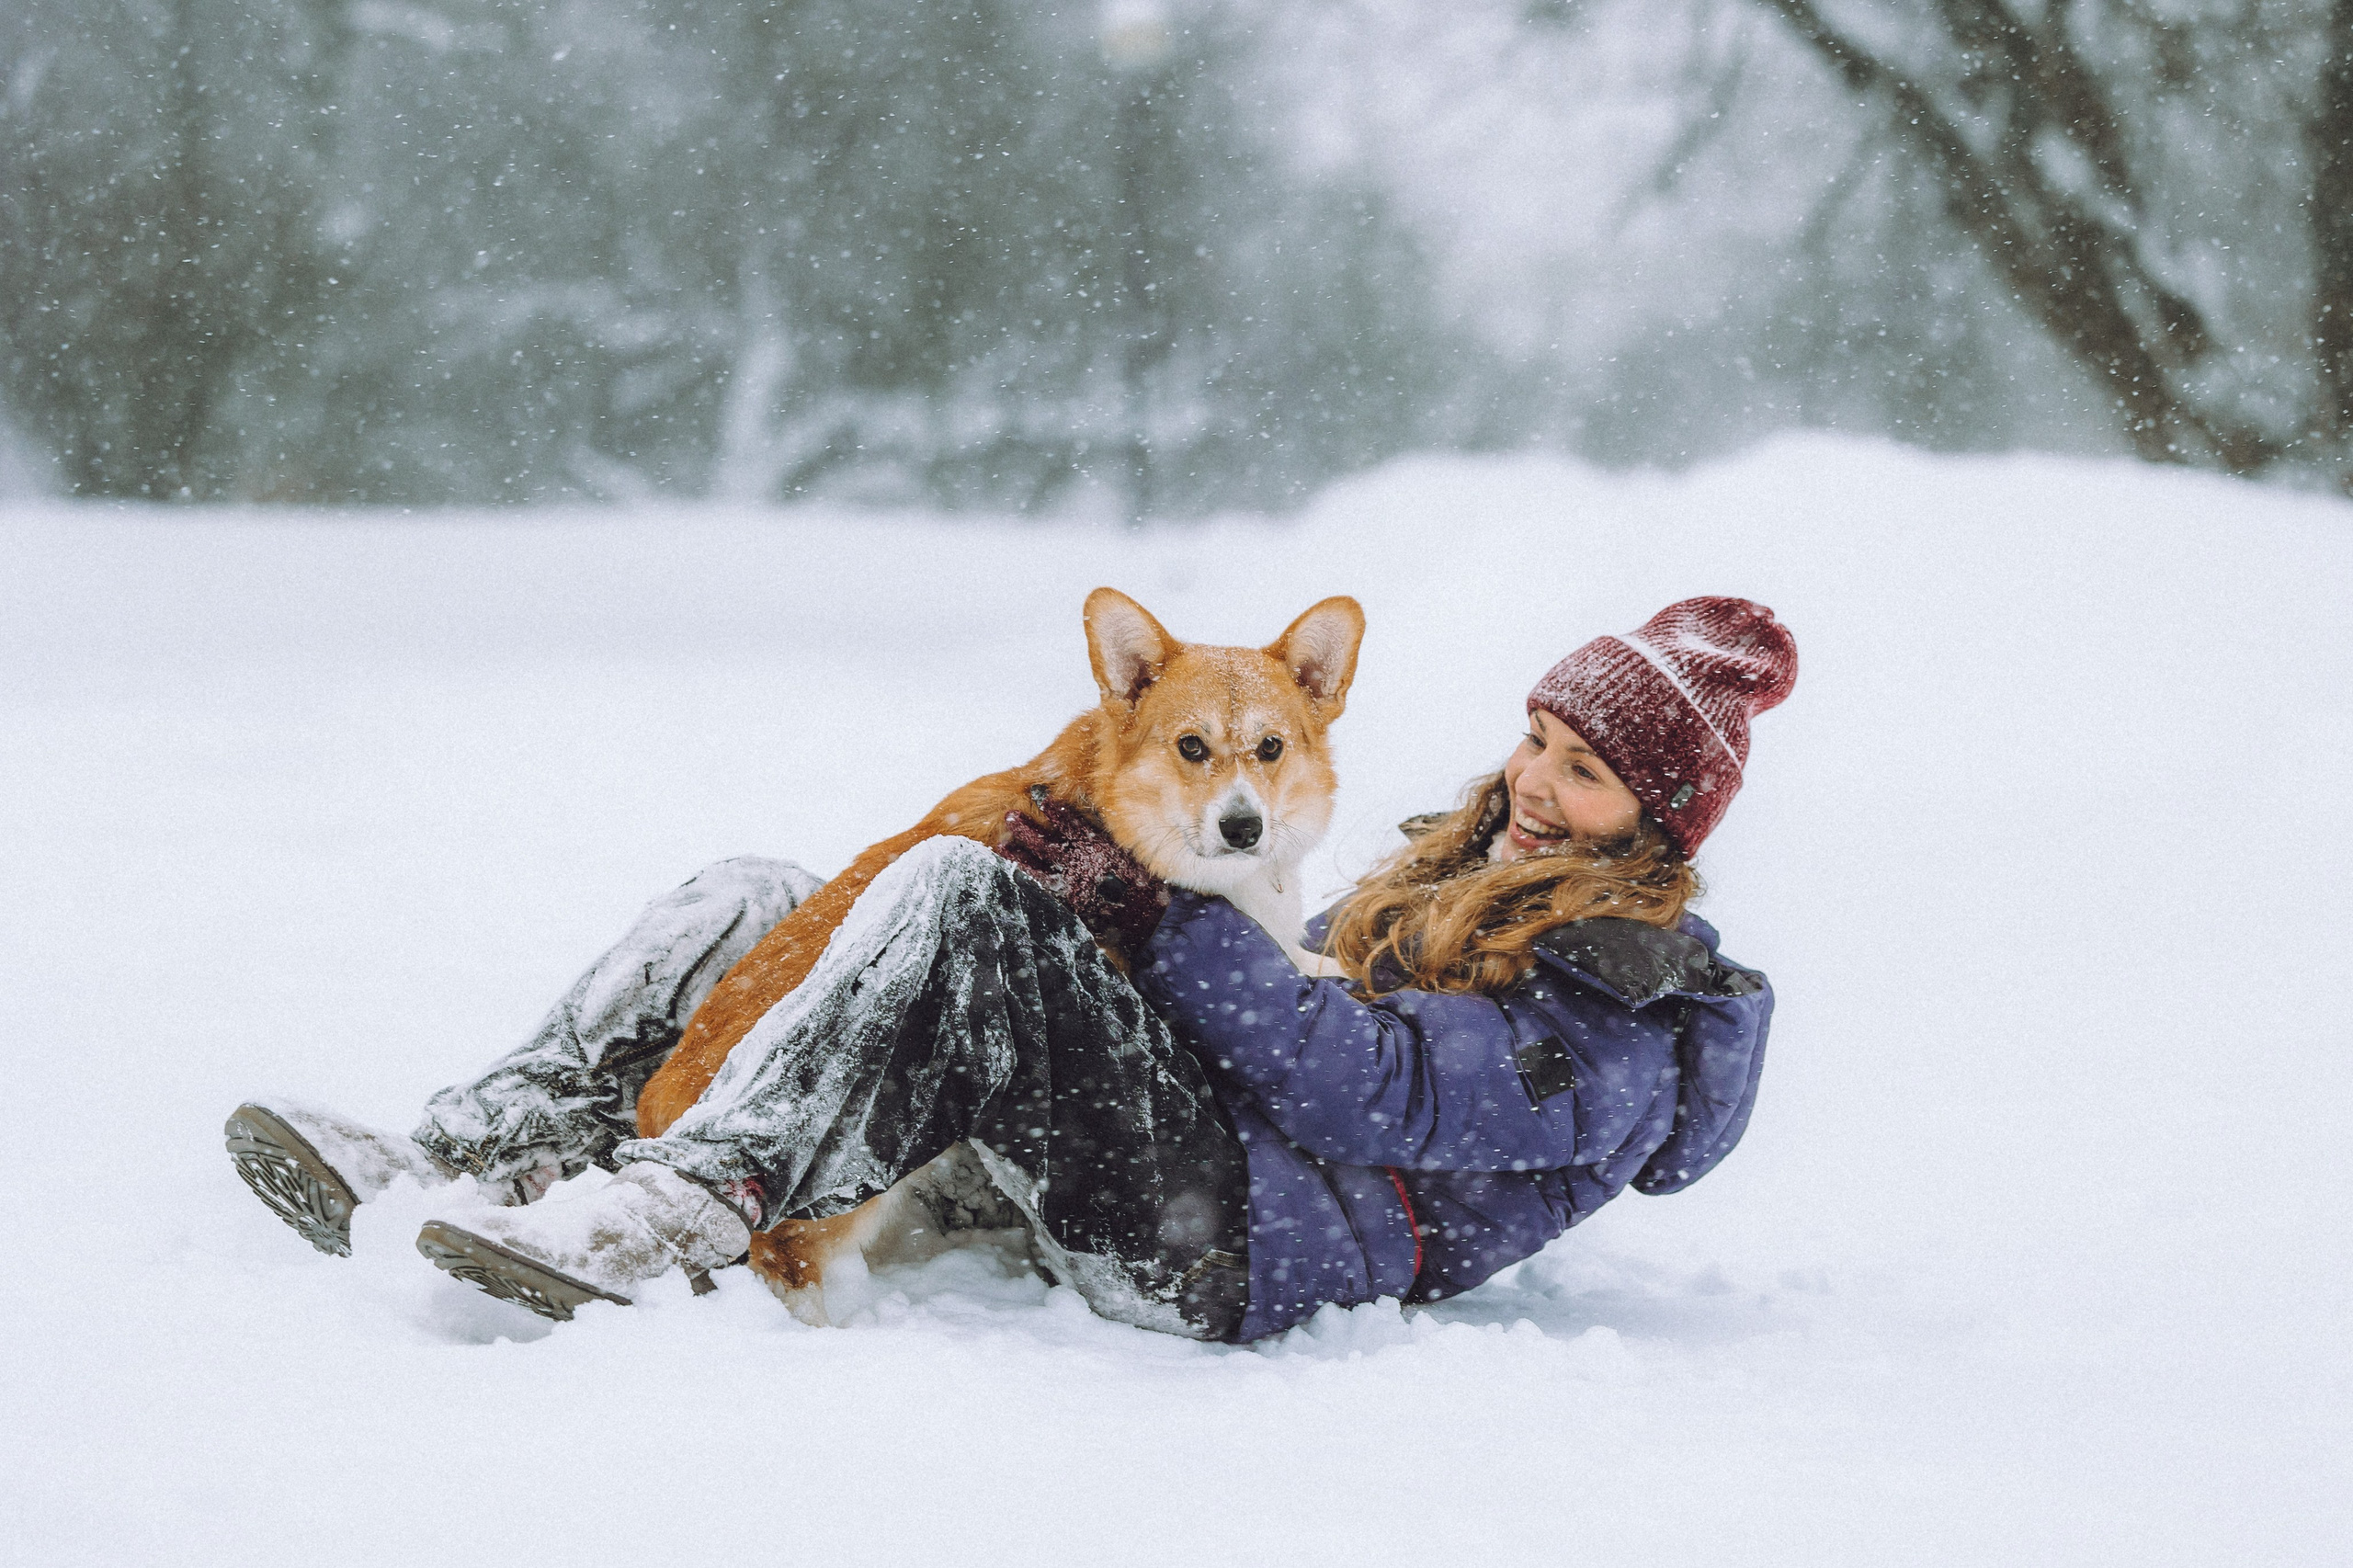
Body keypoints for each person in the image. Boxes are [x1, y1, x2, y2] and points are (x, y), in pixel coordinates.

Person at [225, 597, 1794, 1343]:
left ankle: (680, 1206)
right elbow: (1294, 983)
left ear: (1651, 817)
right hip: (1183, 1147)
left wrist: (1149, 890)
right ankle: (491, 1139)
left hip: (1222, 1242)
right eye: (1535, 735)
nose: (1533, 778)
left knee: (966, 896)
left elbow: (1352, 1076)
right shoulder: (1445, 883)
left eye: (1583, 771)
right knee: (766, 892)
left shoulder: (1623, 1013)